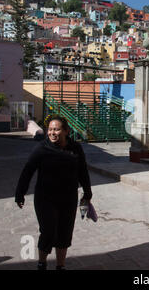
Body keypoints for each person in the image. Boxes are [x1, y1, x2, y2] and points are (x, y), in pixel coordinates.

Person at [15, 114, 93, 270]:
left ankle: (60, 266)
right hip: (45, 199)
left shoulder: (75, 148)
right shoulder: (42, 148)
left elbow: (82, 170)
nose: (52, 133)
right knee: (48, 232)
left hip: (68, 198)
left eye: (56, 130)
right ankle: (42, 263)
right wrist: (20, 193)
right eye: (50, 129)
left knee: (65, 232)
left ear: (66, 131)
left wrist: (87, 192)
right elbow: (28, 171)